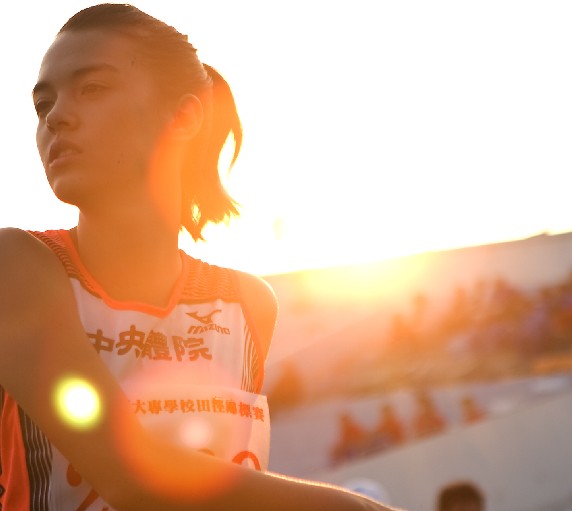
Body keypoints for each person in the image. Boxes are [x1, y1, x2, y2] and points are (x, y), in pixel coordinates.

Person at [0, 4, 401, 510]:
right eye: (42, 104)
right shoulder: (16, 264)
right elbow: (128, 475)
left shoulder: (248, 304)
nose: (55, 116)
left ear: (186, 115)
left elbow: (221, 487)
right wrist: (358, 507)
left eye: (92, 88)